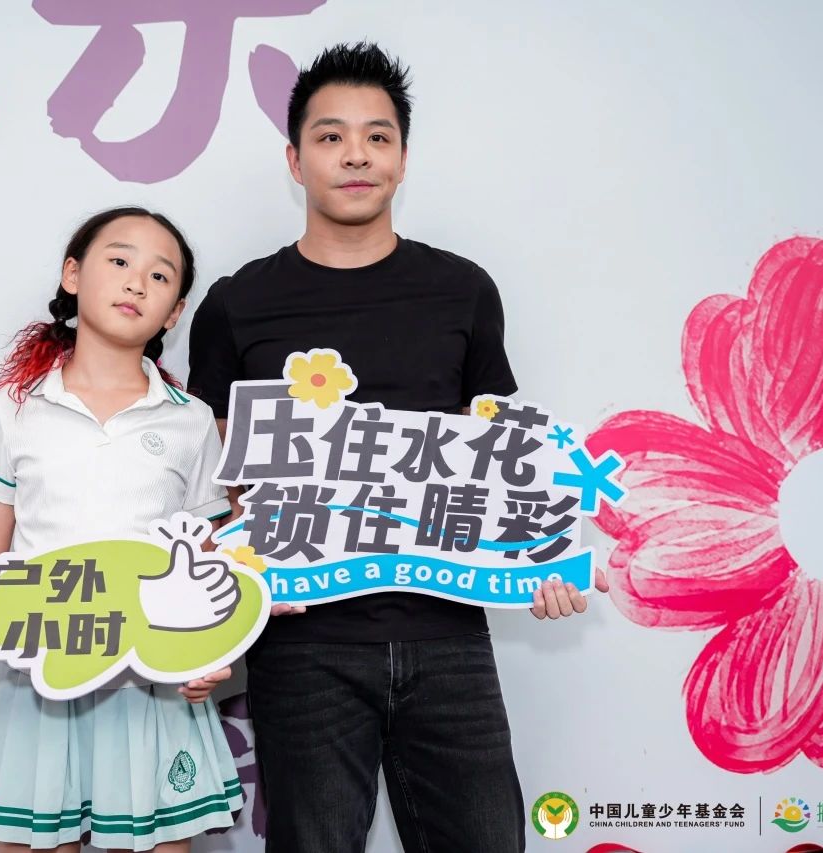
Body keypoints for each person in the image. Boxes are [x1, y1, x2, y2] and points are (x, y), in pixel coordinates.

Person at [188, 43, 607, 853]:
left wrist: (543, 553)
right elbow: (215, 475)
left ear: (403, 159)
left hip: (447, 629)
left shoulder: (463, 290)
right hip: (301, 642)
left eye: (377, 136)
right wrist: (231, 578)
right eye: (331, 136)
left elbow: (494, 451)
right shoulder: (238, 304)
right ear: (295, 160)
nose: (356, 154)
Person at [0, 206, 241, 852]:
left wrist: (210, 651)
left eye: (159, 275)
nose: (137, 282)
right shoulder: (15, 407)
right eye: (119, 261)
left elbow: (206, 559)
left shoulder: (191, 419)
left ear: (174, 312)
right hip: (37, 674)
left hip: (152, 680)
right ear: (73, 274)